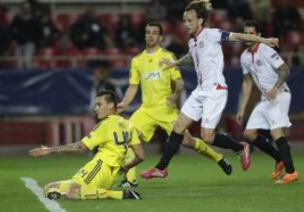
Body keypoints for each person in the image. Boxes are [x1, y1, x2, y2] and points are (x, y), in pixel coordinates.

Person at [140, 0, 279, 179]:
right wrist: (175, 63)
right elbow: (192, 56)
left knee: (207, 137)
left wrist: (265, 40)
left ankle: (241, 147)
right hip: (200, 90)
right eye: (184, 20)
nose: (186, 24)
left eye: (190, 20)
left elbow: (239, 37)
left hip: (215, 90)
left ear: (200, 21)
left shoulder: (212, 34)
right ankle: (161, 168)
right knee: (178, 127)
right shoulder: (192, 42)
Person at [118, 22, 233, 185]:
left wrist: (174, 95)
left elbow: (179, 83)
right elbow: (132, 87)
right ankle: (129, 180)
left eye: (154, 33)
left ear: (160, 37)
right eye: (148, 32)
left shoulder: (168, 57)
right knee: (128, 138)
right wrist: (123, 103)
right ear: (145, 36)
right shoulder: (137, 61)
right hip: (146, 110)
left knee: (188, 142)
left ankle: (219, 157)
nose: (150, 35)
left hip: (166, 109)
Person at [29, 91, 144, 200]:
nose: (96, 109)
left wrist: (50, 150)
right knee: (50, 187)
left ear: (110, 105)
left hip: (100, 166)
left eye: (99, 105)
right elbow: (140, 156)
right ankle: (56, 193)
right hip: (110, 176)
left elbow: (81, 147)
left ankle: (119, 194)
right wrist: (126, 167)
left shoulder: (105, 124)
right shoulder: (129, 125)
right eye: (95, 105)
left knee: (72, 193)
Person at [236, 20, 299, 184]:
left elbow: (284, 69)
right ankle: (279, 159)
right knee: (249, 134)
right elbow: (247, 82)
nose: (248, 36)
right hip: (266, 99)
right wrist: (242, 109)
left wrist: (275, 88)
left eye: (251, 33)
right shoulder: (244, 57)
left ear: (258, 35)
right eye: (245, 33)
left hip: (280, 95)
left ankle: (291, 172)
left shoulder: (266, 50)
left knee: (276, 132)